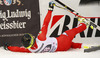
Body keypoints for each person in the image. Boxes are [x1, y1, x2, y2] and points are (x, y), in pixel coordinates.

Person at [3, 1, 93, 53]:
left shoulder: (30, 50)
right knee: (70, 32)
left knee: (72, 45)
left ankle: (84, 46)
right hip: (62, 41)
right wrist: (50, 10)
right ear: (32, 39)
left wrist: (8, 47)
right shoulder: (41, 38)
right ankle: (84, 24)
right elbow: (46, 22)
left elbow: (18, 49)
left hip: (62, 49)